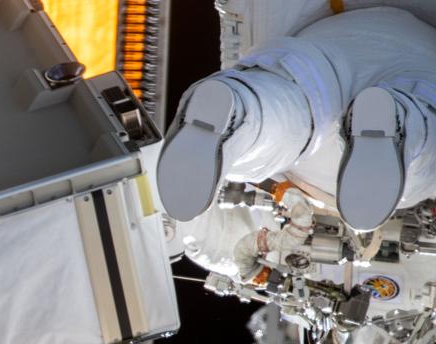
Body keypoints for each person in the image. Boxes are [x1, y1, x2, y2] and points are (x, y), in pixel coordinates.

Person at [158, 6, 436, 232]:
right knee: (422, 146)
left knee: (289, 101)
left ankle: (244, 110)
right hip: (421, 56)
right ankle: (402, 125)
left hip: (329, 41)